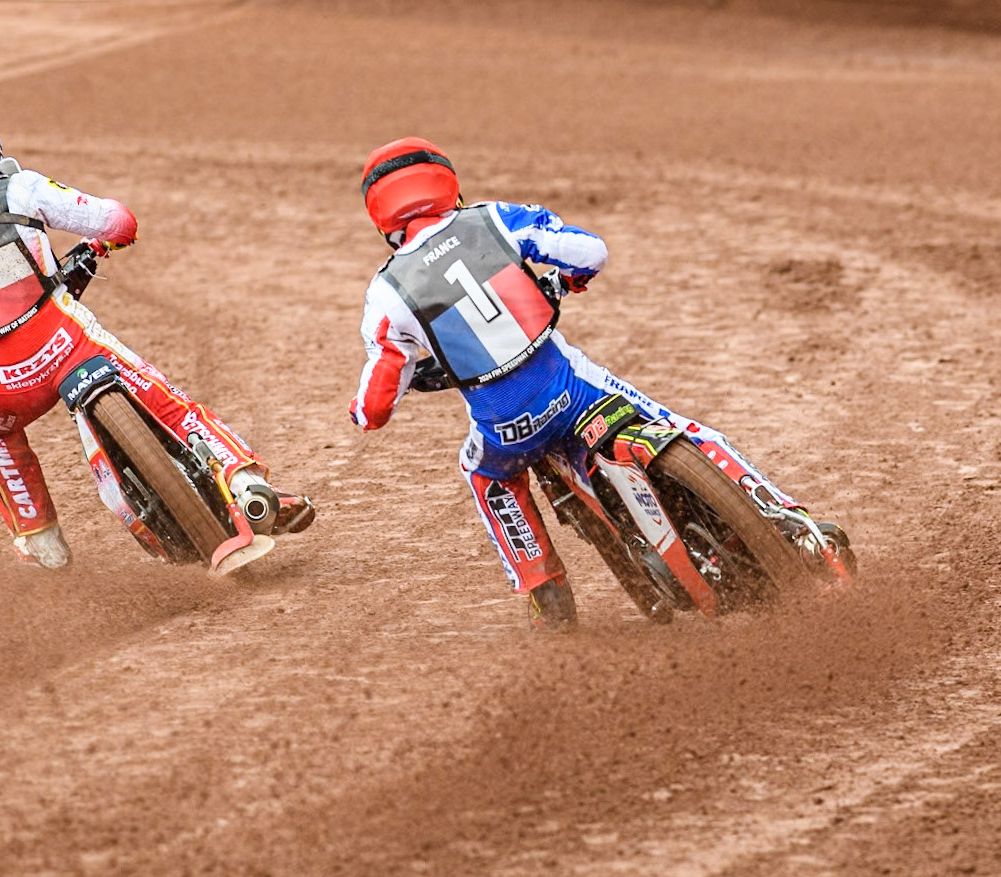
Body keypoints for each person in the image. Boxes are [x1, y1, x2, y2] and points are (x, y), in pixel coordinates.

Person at [347, 137, 849, 629]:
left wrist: (363, 409)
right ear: (447, 183)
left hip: (507, 427)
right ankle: (793, 526)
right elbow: (590, 252)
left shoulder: (387, 291)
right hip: (572, 388)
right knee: (686, 431)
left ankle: (548, 591)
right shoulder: (493, 218)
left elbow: (374, 409)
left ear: (382, 218)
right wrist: (563, 283)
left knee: (485, 474)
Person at [0, 105, 313, 570]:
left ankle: (41, 540)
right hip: (73, 346)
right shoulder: (21, 188)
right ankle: (245, 482)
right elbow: (118, 222)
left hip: (5, 387)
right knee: (168, 402)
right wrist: (108, 242)